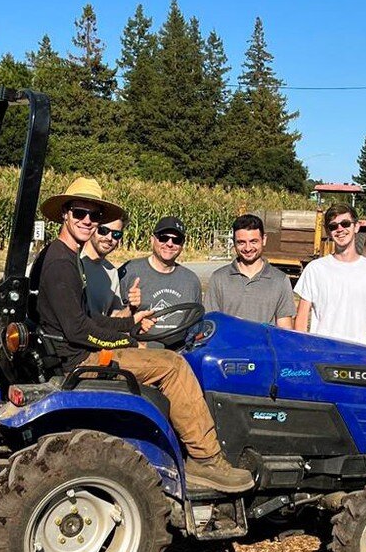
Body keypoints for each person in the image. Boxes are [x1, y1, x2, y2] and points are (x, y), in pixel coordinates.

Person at [36, 178, 253, 493]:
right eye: (80, 213)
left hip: (76, 351)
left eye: (94, 215)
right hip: (80, 359)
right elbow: (77, 330)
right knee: (174, 366)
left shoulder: (66, 256)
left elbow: (86, 318)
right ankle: (206, 459)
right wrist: (128, 341)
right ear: (65, 214)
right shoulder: (61, 263)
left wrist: (129, 323)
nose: (87, 221)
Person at [294, 203, 366, 350]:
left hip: (359, 356)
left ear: (356, 227)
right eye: (333, 226)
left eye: (345, 223)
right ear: (328, 232)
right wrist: (303, 353)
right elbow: (301, 318)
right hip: (322, 355)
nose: (340, 229)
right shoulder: (315, 269)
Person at [204, 214, 295, 327]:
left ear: (264, 239)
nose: (248, 248)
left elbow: (284, 329)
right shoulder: (218, 278)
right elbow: (210, 324)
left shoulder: (280, 280)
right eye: (241, 242)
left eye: (253, 241)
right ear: (234, 242)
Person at [119, 216, 202, 337]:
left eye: (176, 240)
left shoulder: (191, 280)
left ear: (182, 245)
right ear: (152, 240)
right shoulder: (129, 271)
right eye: (164, 238)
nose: (169, 244)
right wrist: (132, 317)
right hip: (138, 346)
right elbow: (110, 321)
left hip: (179, 347)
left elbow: (196, 325)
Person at [81, 214, 139, 317]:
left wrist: (131, 308)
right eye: (103, 231)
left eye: (116, 234)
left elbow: (114, 316)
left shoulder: (111, 271)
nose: (109, 238)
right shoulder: (75, 262)